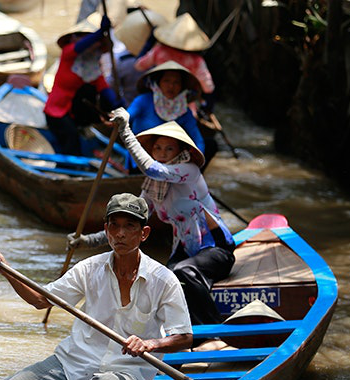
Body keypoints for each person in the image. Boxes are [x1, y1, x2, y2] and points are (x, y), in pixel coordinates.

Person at [0, 193, 193, 380]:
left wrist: (150, 344)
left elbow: (184, 338)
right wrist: (5, 270)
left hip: (126, 373)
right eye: (114, 226)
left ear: (143, 233)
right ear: (106, 229)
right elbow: (40, 300)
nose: (120, 233)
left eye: (129, 226)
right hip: (74, 361)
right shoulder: (88, 269)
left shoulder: (164, 280)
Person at [70, 113, 235, 325]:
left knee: (182, 271)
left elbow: (151, 168)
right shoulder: (153, 186)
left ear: (180, 152)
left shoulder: (189, 170)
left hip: (216, 248)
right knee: (161, 280)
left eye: (169, 149)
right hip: (184, 251)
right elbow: (128, 224)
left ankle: (212, 330)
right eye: (157, 148)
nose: (162, 153)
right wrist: (87, 241)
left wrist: (125, 130)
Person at [44, 15, 120, 156]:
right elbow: (80, 47)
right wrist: (100, 32)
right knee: (71, 139)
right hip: (57, 112)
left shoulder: (92, 68)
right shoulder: (68, 54)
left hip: (77, 113)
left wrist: (118, 105)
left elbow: (104, 89)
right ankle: (72, 170)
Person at [127, 60, 205, 155]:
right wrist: (118, 119)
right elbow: (127, 116)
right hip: (139, 156)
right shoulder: (143, 100)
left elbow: (198, 140)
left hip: (168, 163)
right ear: (158, 83)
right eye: (166, 81)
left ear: (182, 87)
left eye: (176, 83)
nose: (171, 86)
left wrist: (196, 160)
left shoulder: (184, 111)